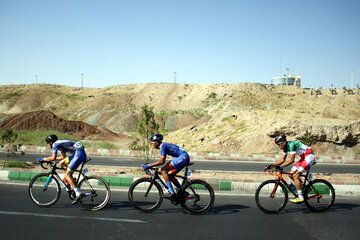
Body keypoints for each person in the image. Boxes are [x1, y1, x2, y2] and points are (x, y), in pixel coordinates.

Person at [37, 134, 87, 204]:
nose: (48, 145)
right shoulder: (60, 146)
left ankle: (78, 193)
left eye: (48, 143)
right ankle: (72, 181)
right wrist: (50, 159)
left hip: (79, 153)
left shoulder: (55, 144)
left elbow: (53, 157)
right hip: (79, 153)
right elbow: (63, 157)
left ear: (51, 142)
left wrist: (43, 159)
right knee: (62, 163)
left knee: (67, 175)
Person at [271, 134, 316, 203]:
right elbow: (283, 159)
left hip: (309, 156)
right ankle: (305, 188)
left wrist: (281, 166)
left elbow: (292, 160)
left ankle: (300, 197)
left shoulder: (291, 145)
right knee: (290, 174)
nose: (278, 146)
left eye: (278, 144)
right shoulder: (285, 148)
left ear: (283, 142)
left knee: (295, 175)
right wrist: (272, 165)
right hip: (303, 157)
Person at [143, 133, 190, 199]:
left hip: (183, 157)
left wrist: (149, 165)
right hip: (184, 157)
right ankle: (182, 191)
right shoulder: (163, 146)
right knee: (170, 175)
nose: (152, 144)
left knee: (163, 170)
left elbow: (162, 161)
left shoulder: (163, 146)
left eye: (152, 143)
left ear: (156, 142)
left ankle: (171, 192)